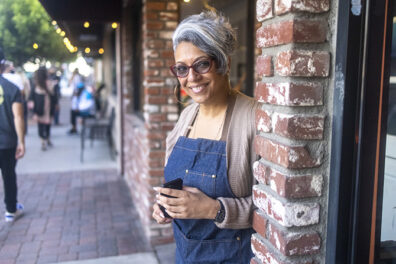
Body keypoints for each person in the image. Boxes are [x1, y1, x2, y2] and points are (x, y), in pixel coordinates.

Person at [152, 11, 259, 263]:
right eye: (181, 68)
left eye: (201, 64)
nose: (191, 78)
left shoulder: (254, 118)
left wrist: (212, 209)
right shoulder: (186, 117)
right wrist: (167, 206)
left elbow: (274, 209)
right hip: (185, 256)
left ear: (225, 63)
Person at [0, 48, 25, 222]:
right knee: (9, 175)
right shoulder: (12, 88)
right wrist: (21, 141)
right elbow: (18, 116)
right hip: (7, 142)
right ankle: (11, 210)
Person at [31, 67, 57, 151]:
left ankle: (43, 140)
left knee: (40, 124)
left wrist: (33, 109)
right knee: (47, 124)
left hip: (39, 107)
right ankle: (47, 138)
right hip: (48, 106)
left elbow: (32, 96)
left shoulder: (35, 83)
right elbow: (54, 95)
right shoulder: (49, 83)